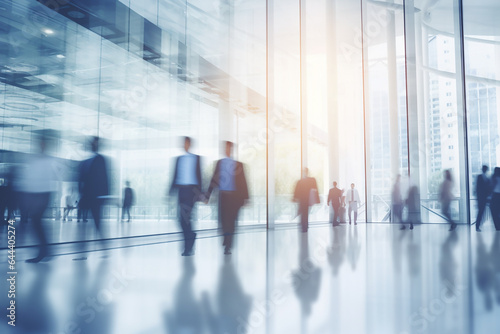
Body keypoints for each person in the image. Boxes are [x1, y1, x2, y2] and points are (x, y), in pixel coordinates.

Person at [205, 141, 249, 255]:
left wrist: (246, 198)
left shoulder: (238, 164)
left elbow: (244, 182)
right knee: (223, 221)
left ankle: (228, 245)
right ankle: (226, 238)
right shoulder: (219, 163)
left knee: (232, 222)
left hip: (235, 198)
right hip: (223, 196)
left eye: (229, 148)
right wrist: (207, 195)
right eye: (226, 148)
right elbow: (214, 180)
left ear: (232, 150)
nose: (227, 150)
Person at [20, 136, 57, 263]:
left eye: (43, 143)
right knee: (36, 222)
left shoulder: (47, 160)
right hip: (36, 194)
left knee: (36, 222)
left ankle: (44, 251)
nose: (41, 146)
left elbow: (49, 178)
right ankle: (45, 250)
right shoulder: (36, 159)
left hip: (42, 194)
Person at [170, 137, 203, 256]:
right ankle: (191, 237)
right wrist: (170, 191)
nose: (184, 145)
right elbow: (174, 176)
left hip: (192, 191)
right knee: (182, 219)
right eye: (183, 143)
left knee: (185, 217)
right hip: (181, 191)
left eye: (186, 143)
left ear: (190, 144)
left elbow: (200, 176)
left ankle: (187, 247)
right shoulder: (179, 159)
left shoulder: (197, 158)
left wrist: (201, 194)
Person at [78, 137, 109, 237]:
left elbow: (104, 177)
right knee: (90, 218)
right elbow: (81, 177)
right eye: (93, 144)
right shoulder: (86, 161)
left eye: (95, 144)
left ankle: (101, 241)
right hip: (87, 195)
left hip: (95, 196)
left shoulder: (100, 159)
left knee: (96, 219)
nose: (93, 146)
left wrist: (104, 195)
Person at [293, 168, 320, 233]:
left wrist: (295, 198)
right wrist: (317, 199)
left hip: (302, 200)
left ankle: (303, 227)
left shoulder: (300, 181)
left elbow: (297, 191)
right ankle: (305, 226)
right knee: (305, 213)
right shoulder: (312, 180)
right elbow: (315, 189)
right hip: (308, 200)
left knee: (303, 213)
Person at [474, 165, 492, 232]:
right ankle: (477, 226)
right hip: (481, 198)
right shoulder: (480, 177)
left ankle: (478, 225)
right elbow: (478, 188)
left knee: (481, 212)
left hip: (485, 198)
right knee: (480, 212)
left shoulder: (487, 178)